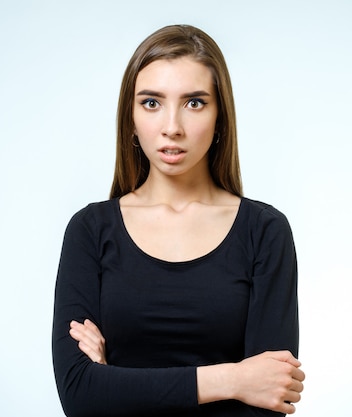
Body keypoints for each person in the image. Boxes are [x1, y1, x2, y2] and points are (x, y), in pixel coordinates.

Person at [52, 24, 304, 417]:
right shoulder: (90, 230)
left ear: (221, 116)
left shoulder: (264, 232)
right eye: (152, 102)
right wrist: (233, 380)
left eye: (194, 102)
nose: (172, 126)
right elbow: (81, 395)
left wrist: (117, 384)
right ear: (130, 116)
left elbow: (270, 400)